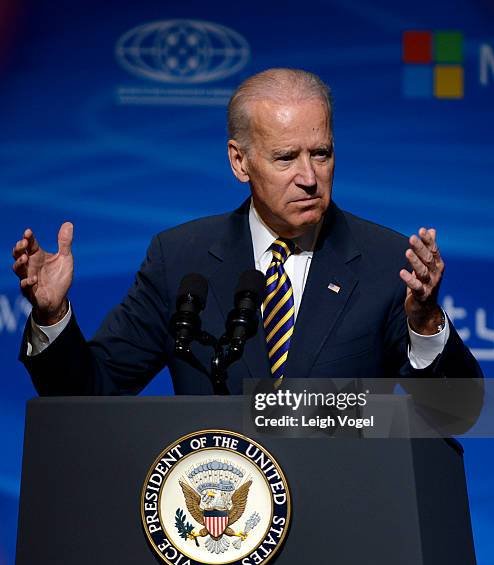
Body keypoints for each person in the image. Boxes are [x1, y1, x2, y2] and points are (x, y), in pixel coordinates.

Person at [12, 69, 481, 396]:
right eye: (285, 158)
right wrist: (51, 317)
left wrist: (425, 324)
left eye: (321, 153)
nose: (309, 176)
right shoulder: (179, 258)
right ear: (240, 161)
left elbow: (458, 414)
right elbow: (91, 392)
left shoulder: (385, 261)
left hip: (345, 523)